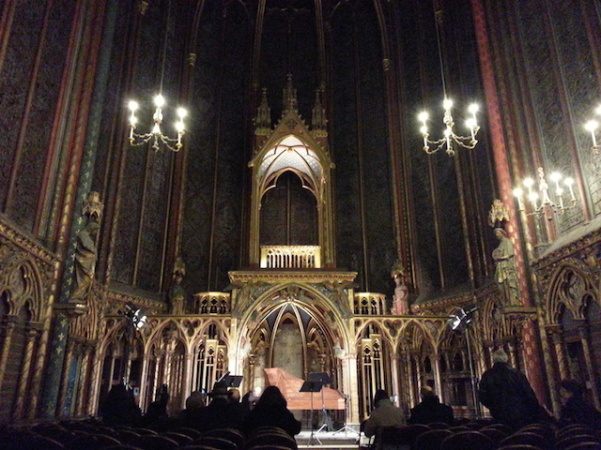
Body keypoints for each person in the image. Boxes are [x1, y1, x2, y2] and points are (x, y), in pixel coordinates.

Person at [478, 348, 540, 430]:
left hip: (498, 416)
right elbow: (528, 394)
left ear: (494, 360)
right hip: (520, 416)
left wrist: (494, 406)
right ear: (506, 359)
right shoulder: (516, 374)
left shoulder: (487, 376)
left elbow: (482, 396)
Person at [492, 228, 520, 306]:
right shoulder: (501, 244)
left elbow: (510, 254)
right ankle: (506, 301)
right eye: (496, 234)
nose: (496, 235)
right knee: (500, 284)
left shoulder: (506, 242)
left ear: (502, 233)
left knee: (508, 283)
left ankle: (512, 301)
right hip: (501, 266)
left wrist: (500, 258)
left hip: (506, 266)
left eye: (497, 233)